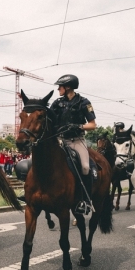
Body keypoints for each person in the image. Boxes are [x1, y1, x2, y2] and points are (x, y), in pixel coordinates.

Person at [49, 74, 97, 214]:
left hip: (76, 140)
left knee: (85, 167)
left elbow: (93, 125)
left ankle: (86, 201)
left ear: (68, 87)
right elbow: (50, 118)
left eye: (60, 86)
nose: (58, 89)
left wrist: (79, 126)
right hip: (60, 140)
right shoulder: (57, 103)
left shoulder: (84, 102)